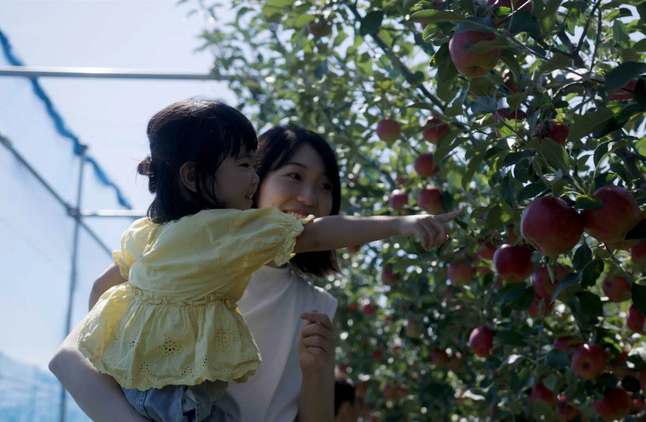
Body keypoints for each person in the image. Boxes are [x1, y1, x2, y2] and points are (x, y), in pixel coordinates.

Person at [54, 99, 460, 422]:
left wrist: (318, 371)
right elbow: (72, 357)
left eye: (324, 186)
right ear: (255, 181)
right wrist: (403, 222)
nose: (310, 197)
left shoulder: (315, 308)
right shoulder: (177, 255)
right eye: (293, 176)